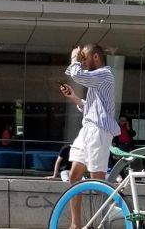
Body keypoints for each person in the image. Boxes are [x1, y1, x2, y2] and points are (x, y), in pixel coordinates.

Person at [58, 43, 121, 229]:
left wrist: (74, 57)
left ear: (96, 57)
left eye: (84, 58)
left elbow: (78, 75)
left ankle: (107, 216)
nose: (82, 61)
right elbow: (91, 108)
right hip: (88, 129)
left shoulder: (105, 74)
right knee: (74, 176)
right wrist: (73, 97)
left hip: (99, 130)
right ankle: (76, 224)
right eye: (81, 58)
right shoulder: (96, 80)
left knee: (97, 181)